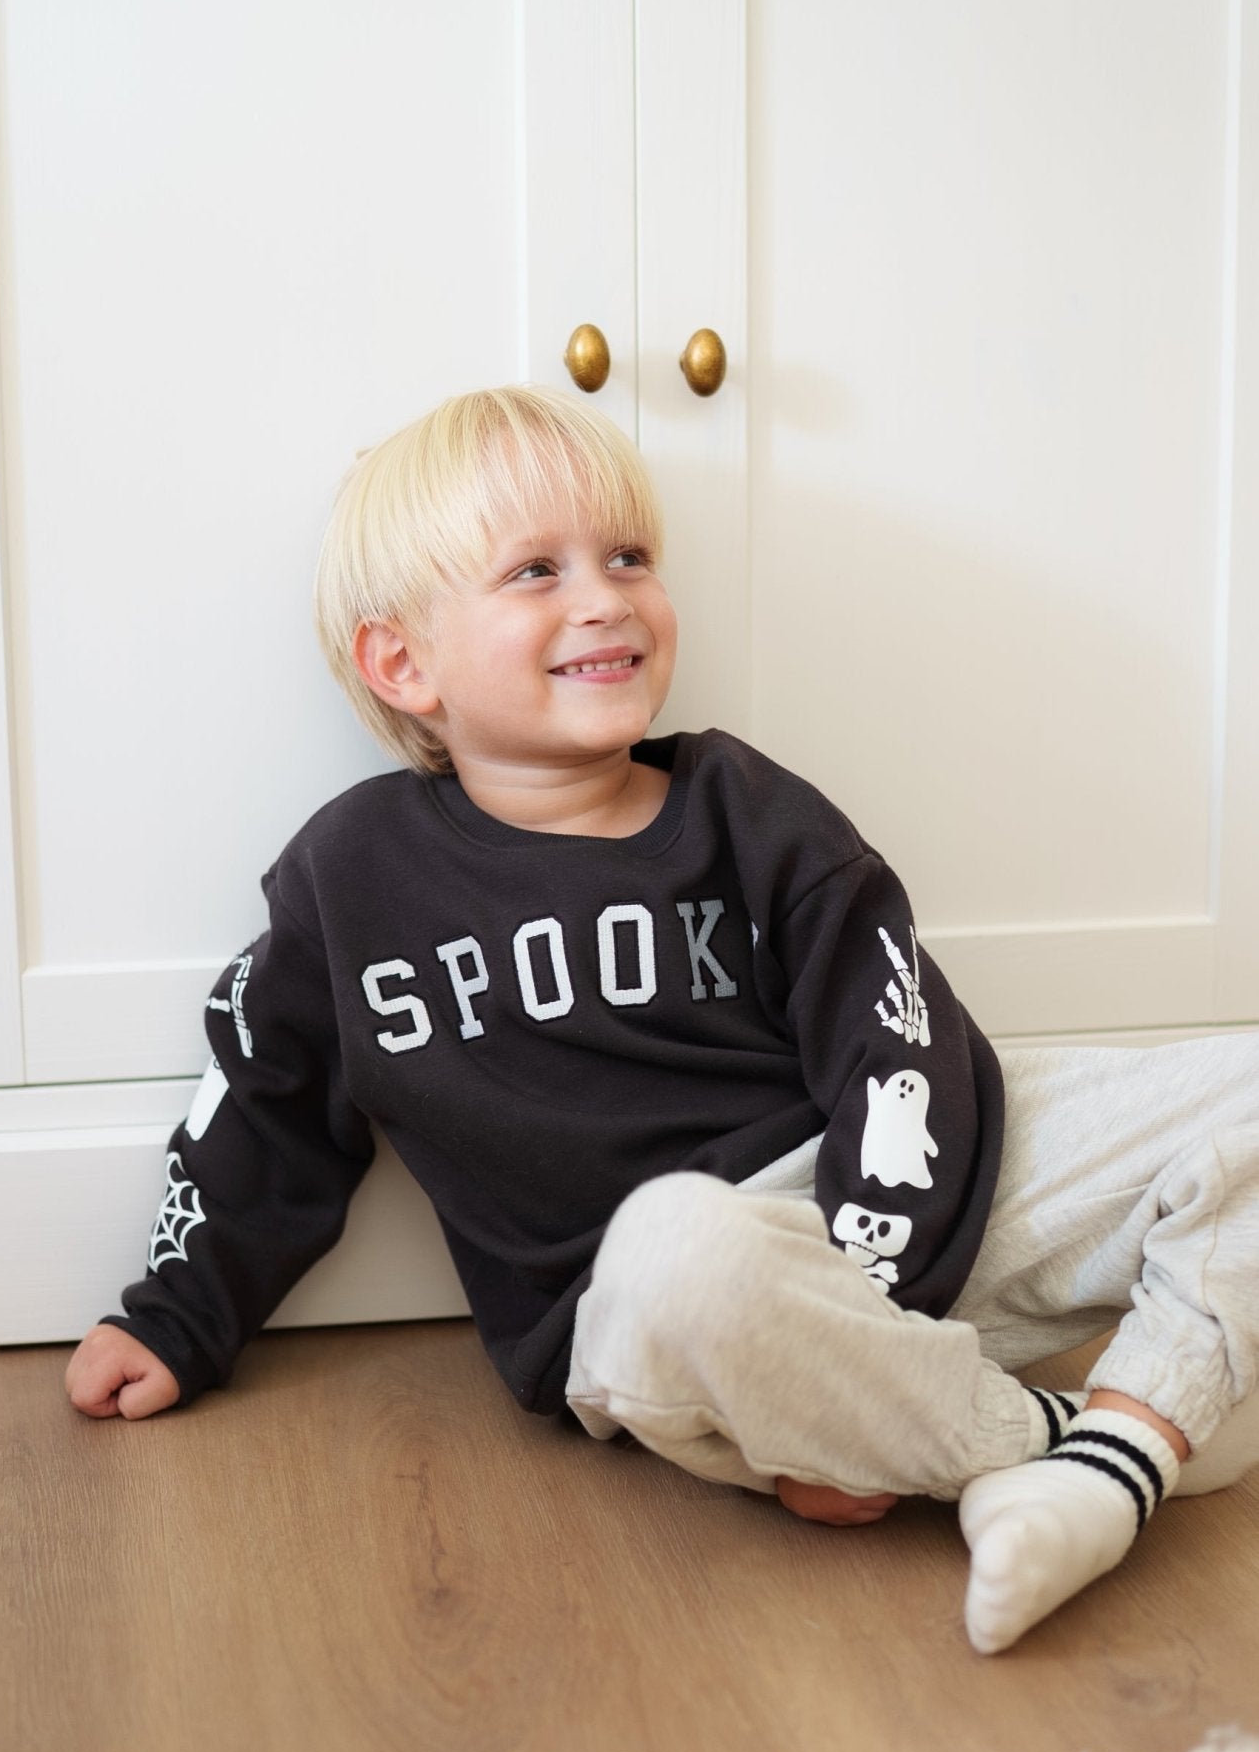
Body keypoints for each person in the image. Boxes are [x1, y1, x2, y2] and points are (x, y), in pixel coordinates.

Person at [65, 385, 1259, 1655]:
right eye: (536, 570)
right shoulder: (350, 880)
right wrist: (174, 1314)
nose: (604, 598)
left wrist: (868, 1293)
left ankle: (1095, 1441)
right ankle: (1070, 1435)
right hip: (668, 1302)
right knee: (676, 1243)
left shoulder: (744, 807)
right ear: (403, 662)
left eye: (628, 556)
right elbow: (262, 1107)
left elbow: (899, 1043)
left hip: (899, 1225)